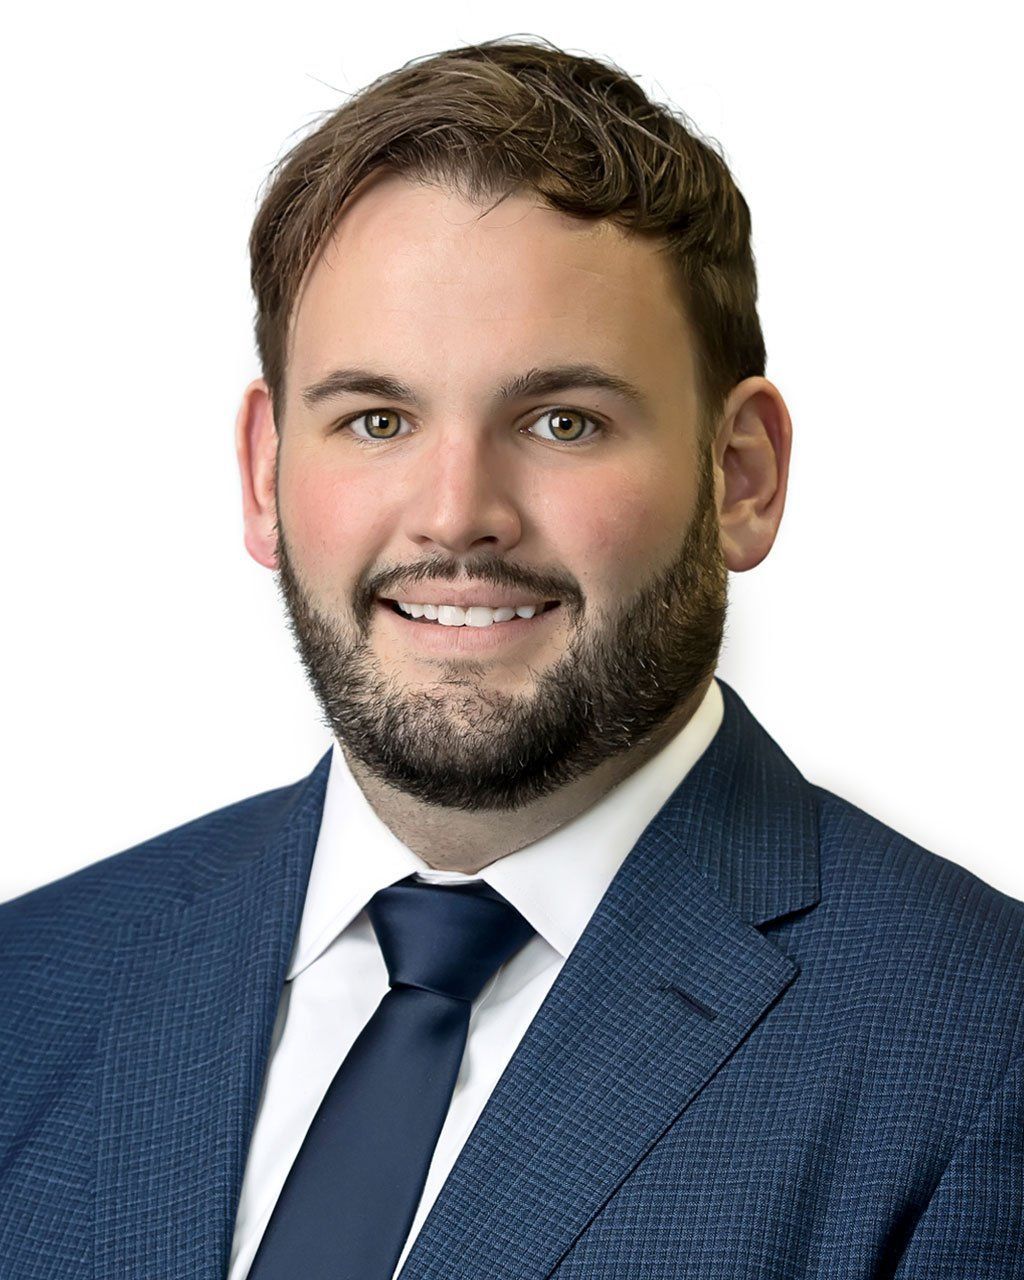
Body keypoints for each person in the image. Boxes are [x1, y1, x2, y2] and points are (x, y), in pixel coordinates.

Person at [1, 34, 1021, 1280]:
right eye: (377, 418)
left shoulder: (980, 1051)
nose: (455, 514)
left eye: (561, 420)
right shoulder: (30, 987)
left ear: (742, 476)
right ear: (264, 474)